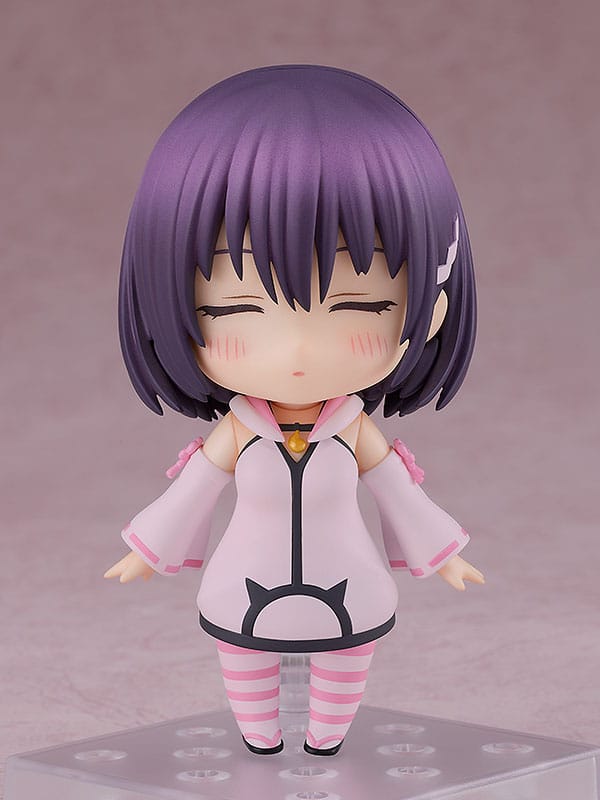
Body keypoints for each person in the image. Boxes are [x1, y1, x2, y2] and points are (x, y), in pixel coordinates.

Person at [104, 64, 485, 757]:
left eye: (360, 306)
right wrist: (147, 549)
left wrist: (444, 555)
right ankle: (258, 742)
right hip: (244, 581)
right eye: (235, 310)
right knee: (243, 658)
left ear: (429, 309)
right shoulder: (239, 433)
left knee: (347, 659)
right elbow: (191, 493)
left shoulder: (354, 433)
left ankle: (327, 742)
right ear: (165, 304)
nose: (300, 348)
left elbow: (400, 495)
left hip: (349, 580)